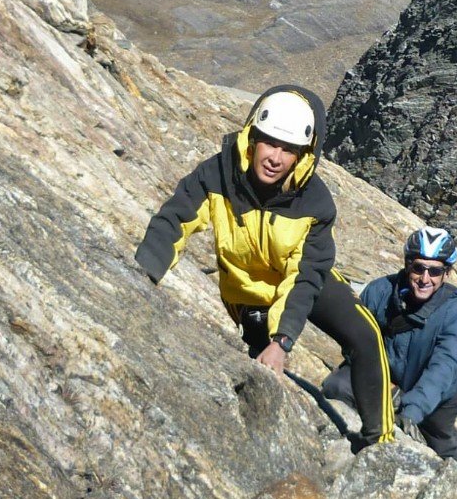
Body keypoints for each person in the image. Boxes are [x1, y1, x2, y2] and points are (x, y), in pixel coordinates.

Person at [134, 85, 394, 448]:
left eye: (288, 149)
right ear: (252, 138)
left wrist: (283, 341)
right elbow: (173, 221)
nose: (275, 156)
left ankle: (379, 441)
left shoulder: (315, 202)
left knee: (365, 335)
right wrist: (142, 275)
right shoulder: (218, 174)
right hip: (248, 291)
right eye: (270, 142)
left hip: (301, 281)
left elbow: (305, 277)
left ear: (303, 155)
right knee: (260, 376)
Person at [323, 226, 457, 460]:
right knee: (337, 387)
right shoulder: (379, 292)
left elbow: (444, 367)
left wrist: (412, 409)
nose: (425, 279)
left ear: (447, 274)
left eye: (435, 271)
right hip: (383, 376)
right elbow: (353, 340)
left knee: (442, 452)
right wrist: (382, 381)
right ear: (407, 264)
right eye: (418, 268)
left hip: (435, 396)